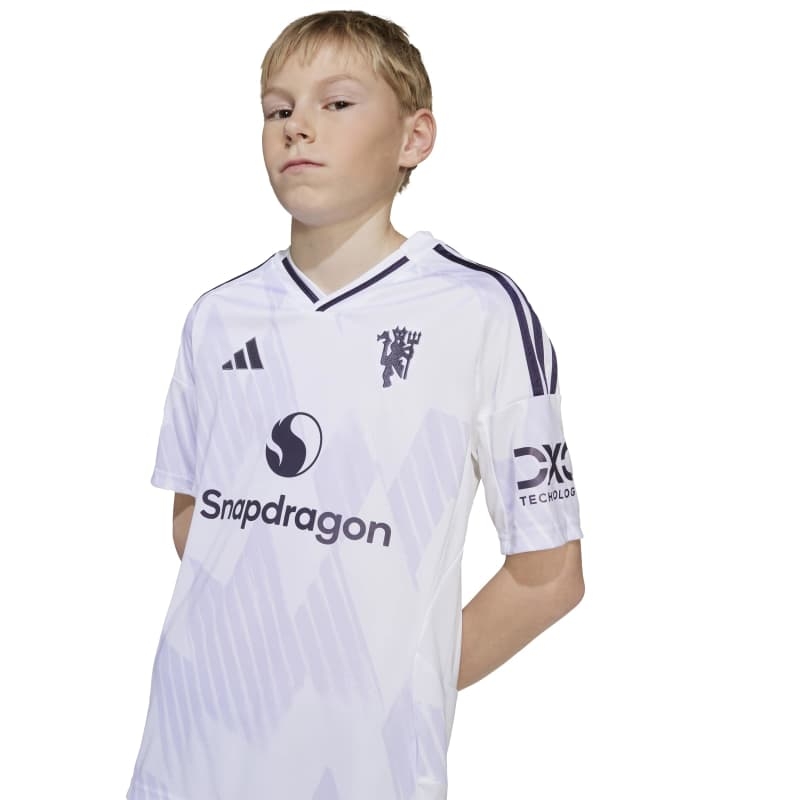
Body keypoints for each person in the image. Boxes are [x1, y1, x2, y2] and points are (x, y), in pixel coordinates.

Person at [125, 9, 585, 800]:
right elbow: (196, 517)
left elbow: (549, 576)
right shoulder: (219, 316)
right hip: (184, 762)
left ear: (414, 137)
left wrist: (389, 686)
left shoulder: (476, 311)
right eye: (278, 108)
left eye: (336, 103)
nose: (298, 126)